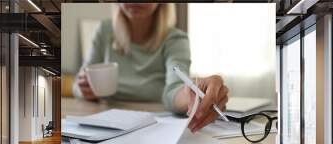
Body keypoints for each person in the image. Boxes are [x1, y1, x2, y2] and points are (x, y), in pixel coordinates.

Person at [74, 3, 229, 132]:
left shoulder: (175, 39)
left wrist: (193, 93)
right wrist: (84, 89)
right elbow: (78, 84)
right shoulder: (104, 30)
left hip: (153, 126)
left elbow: (174, 89)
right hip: (103, 120)